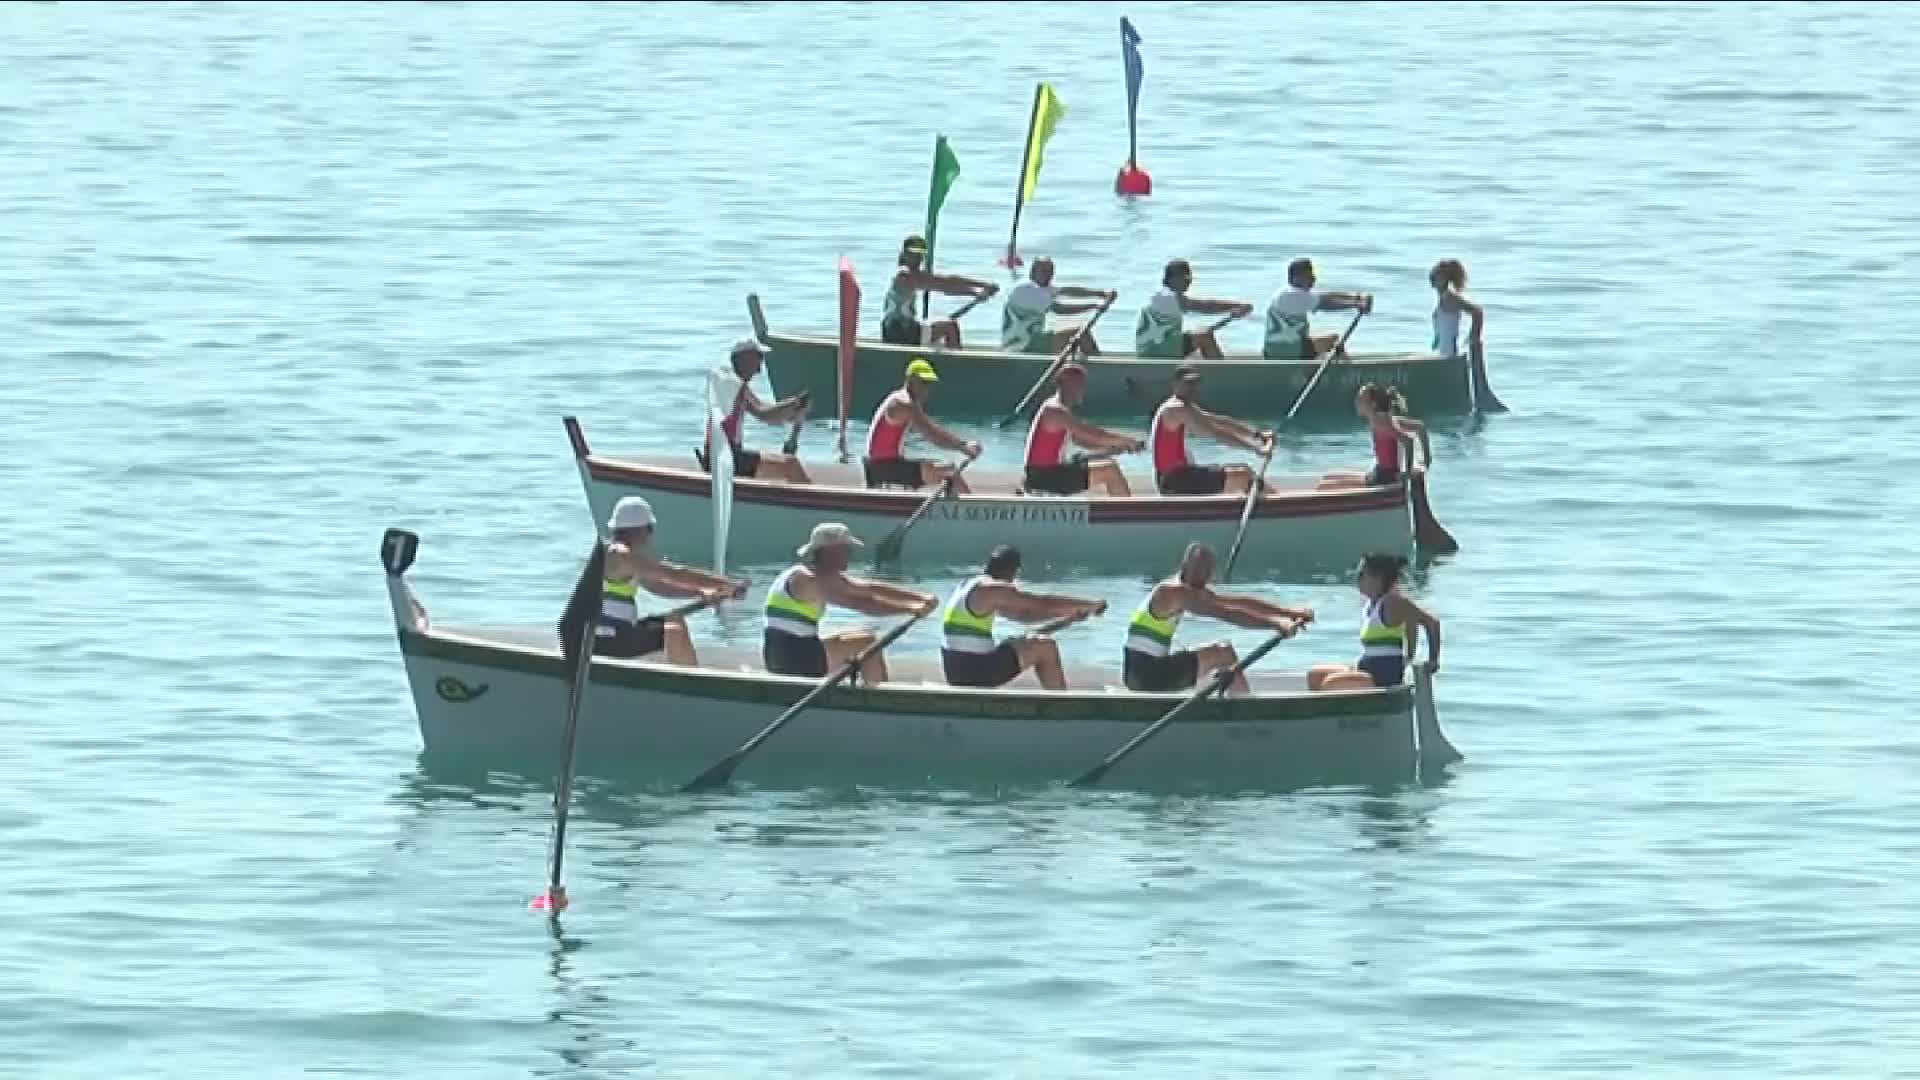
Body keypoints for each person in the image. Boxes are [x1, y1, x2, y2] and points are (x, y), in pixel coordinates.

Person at [1121, 543, 1313, 694]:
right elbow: (1227, 614)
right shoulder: (1172, 592)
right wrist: (1276, 624)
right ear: (1184, 567)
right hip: (1146, 675)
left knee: (1218, 654)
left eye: (1206, 573)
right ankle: (1243, 708)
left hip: (1146, 671)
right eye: (1198, 572)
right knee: (1223, 652)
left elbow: (1236, 603)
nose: (1203, 579)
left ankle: (1235, 696)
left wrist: (1288, 613)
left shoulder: (1189, 587)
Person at [763, 523, 938, 684]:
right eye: (847, 550)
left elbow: (869, 588)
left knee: (864, 637)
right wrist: (910, 608)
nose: (851, 555)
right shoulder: (808, 580)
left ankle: (873, 689)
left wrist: (920, 597)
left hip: (792, 652)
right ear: (831, 551)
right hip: (793, 662)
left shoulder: (813, 574)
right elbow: (861, 603)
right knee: (867, 643)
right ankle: (880, 698)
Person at [595, 496, 745, 665]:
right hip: (609, 637)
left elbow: (658, 586)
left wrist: (699, 592)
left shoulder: (617, 556)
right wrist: (726, 584)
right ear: (642, 529)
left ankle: (685, 672)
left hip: (616, 633)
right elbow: (674, 574)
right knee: (674, 629)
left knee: (674, 619)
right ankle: (690, 683)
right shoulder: (622, 555)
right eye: (650, 529)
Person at [941, 545, 1107, 690]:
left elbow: (1026, 617)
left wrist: (1068, 619)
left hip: (958, 670)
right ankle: (1060, 704)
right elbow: (1043, 604)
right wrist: (1090, 605)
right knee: (1046, 647)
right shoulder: (994, 589)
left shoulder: (969, 586)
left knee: (1024, 640)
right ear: (1013, 570)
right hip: (976, 673)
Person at [1309, 553, 1439, 690]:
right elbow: (1414, 622)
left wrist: (1433, 661)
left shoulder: (1393, 602)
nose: (1357, 580)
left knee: (1330, 683)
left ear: (1377, 579)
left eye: (1361, 575)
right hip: (1367, 670)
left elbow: (1432, 623)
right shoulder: (1371, 604)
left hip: (1383, 678)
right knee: (1315, 675)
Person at [699, 338, 812, 484]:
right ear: (745, 359)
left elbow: (766, 411)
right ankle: (810, 502)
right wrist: (795, 403)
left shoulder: (736, 384)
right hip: (727, 457)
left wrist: (794, 408)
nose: (759, 370)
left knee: (786, 464)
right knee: (790, 465)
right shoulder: (730, 383)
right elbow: (764, 413)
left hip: (726, 455)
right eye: (759, 359)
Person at [1022, 363, 1144, 497]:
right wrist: (1130, 442)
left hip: (1049, 472)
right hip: (1045, 477)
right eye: (1077, 385)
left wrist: (1114, 448)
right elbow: (1094, 435)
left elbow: (1080, 440)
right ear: (1064, 385)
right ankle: (1125, 513)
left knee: (1104, 461)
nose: (1081, 390)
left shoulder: (1058, 409)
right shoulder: (1055, 410)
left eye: (1081, 385)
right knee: (1110, 470)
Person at [1151, 365, 1274, 496]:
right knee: (1242, 474)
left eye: (1195, 383)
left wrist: (1257, 434)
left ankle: (1268, 499)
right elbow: (1215, 432)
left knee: (1245, 471)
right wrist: (1257, 449)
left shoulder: (1185, 406)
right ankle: (1274, 503)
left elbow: (1219, 421)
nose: (1192, 388)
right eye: (1187, 383)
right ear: (1175, 384)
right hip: (1175, 481)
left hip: (1181, 476)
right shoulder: (1175, 408)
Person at [864, 358, 982, 492]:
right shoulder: (903, 404)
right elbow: (932, 434)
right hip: (884, 468)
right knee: (949, 470)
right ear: (910, 380)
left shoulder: (902, 399)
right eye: (923, 383)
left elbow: (931, 430)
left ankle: (952, 507)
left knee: (945, 470)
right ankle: (970, 509)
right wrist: (964, 447)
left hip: (885, 465)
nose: (927, 389)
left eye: (929, 384)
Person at [881, 234, 998, 348]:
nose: (918, 258)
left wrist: (980, 289)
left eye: (920, 255)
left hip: (900, 330)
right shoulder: (904, 275)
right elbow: (945, 284)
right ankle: (958, 365)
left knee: (940, 325)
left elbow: (946, 283)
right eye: (913, 254)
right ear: (905, 254)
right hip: (901, 333)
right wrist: (978, 289)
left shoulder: (911, 275)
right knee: (950, 326)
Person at [1318, 383, 1433, 490]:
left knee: (1323, 486)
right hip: (1378, 472)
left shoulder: (1381, 422)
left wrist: (1407, 475)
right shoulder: (1382, 419)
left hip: (1385, 478)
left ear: (1372, 404)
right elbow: (1420, 427)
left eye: (1360, 399)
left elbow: (1408, 441)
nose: (1356, 402)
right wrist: (1427, 459)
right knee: (1327, 477)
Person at [1134, 258, 1252, 359]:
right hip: (1157, 352)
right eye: (1184, 277)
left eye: (1189, 276)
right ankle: (1223, 375)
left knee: (1200, 335)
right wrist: (1237, 305)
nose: (1189, 280)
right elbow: (1206, 306)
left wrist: (1231, 314)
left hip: (1153, 349)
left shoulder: (1162, 296)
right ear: (1171, 279)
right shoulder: (1168, 297)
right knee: (1204, 336)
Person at [1001, 256, 1116, 355]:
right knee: (1080, 333)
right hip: (1022, 345)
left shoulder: (1040, 287)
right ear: (1033, 271)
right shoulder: (1026, 289)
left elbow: (1066, 291)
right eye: (1044, 271)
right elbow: (1058, 309)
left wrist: (1101, 293)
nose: (1049, 275)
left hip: (1033, 339)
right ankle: (1098, 367)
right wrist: (1093, 306)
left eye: (1051, 271)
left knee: (1074, 335)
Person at [1263, 257, 1373, 360]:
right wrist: (1356, 304)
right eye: (1309, 276)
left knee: (1318, 344)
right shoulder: (1292, 296)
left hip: (1277, 349)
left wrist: (1356, 296)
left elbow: (1326, 296)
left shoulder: (1288, 293)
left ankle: (1319, 370)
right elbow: (1326, 304)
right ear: (1297, 278)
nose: (1314, 279)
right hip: (1288, 349)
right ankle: (1347, 373)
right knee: (1332, 340)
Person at [1429, 258, 1484, 358]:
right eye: (1431, 276)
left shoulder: (1451, 298)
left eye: (1435, 276)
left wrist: (1474, 337)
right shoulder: (1443, 298)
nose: (1431, 278)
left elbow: (1477, 312)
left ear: (1445, 278)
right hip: (1444, 354)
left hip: (1452, 354)